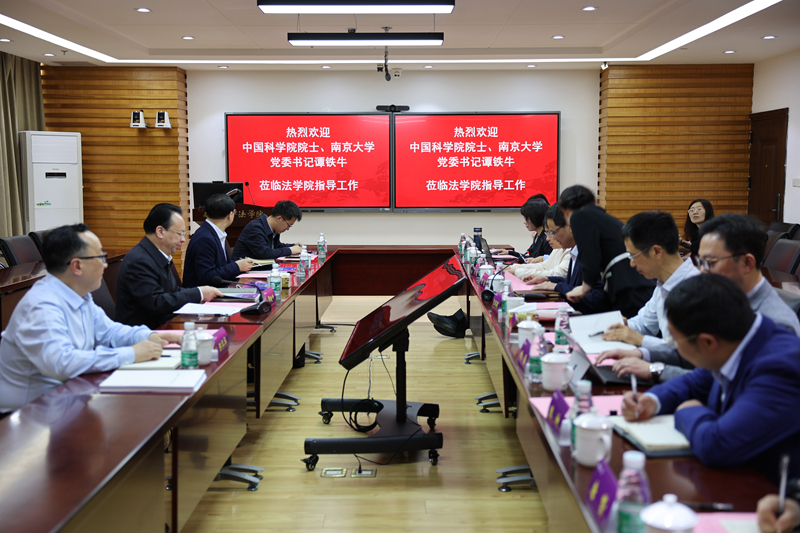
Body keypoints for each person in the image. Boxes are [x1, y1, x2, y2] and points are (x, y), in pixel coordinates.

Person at [621, 274, 800, 485]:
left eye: (674, 341)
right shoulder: (737, 338)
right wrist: (652, 400)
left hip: (768, 490)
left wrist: (686, 411)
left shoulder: (779, 368)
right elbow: (695, 382)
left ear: (708, 343)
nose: (674, 347)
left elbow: (717, 445)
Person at [0, 224, 181, 413]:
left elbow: (109, 332)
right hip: (28, 414)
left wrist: (149, 336)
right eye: (100, 257)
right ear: (77, 266)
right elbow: (62, 363)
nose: (105, 264)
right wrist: (131, 354)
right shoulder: (42, 305)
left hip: (67, 398)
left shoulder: (79, 295)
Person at [602, 213, 800, 383]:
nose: (702, 273)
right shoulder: (724, 299)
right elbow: (692, 351)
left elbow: (719, 383)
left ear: (747, 264)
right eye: (701, 262)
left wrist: (654, 369)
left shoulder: (777, 325)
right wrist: (642, 354)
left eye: (710, 263)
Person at [594, 211, 700, 381]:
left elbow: (688, 352)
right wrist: (622, 326)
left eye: (633, 256)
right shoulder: (663, 283)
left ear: (656, 251)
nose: (631, 263)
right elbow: (644, 323)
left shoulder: (696, 289)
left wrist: (639, 340)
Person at [116, 203, 223, 329]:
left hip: (165, 326)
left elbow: (172, 291)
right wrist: (199, 293)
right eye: (180, 233)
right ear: (160, 232)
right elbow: (156, 303)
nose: (183, 239)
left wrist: (202, 292)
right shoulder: (139, 261)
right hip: (146, 334)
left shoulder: (156, 255)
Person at [558, 185, 654, 318]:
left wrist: (585, 287)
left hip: (628, 285)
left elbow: (589, 254)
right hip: (636, 283)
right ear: (593, 201)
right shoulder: (600, 217)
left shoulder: (580, 215)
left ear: (565, 210)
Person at [524, 203, 611, 315]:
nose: (551, 238)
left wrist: (557, 286)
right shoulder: (575, 250)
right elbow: (574, 284)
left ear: (570, 227)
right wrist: (547, 279)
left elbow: (597, 298)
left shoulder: (593, 253)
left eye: (553, 232)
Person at [183, 194, 254, 287]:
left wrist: (240, 265)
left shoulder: (214, 233)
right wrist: (237, 266)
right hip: (203, 294)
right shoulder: (204, 238)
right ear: (230, 215)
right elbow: (206, 276)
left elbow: (221, 266)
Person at [508, 203, 571, 280]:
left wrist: (516, 271)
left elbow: (555, 274)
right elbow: (544, 266)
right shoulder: (558, 248)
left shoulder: (571, 251)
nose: (548, 238)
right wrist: (513, 267)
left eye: (552, 232)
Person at [232, 199, 302, 260]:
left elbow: (276, 246)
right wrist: (290, 250)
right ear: (279, 218)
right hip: (245, 270)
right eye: (288, 225)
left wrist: (293, 246)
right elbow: (265, 253)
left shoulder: (274, 229)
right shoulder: (255, 228)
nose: (287, 229)